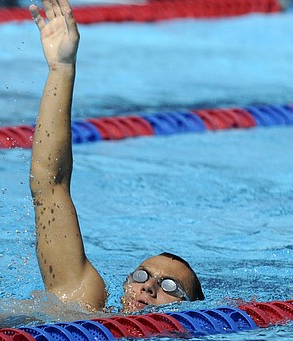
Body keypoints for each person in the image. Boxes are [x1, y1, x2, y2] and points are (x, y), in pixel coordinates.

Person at [28, 0, 205, 314]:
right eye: (142, 275)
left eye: (169, 287)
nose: (148, 287)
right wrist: (61, 69)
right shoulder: (85, 304)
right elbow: (49, 185)